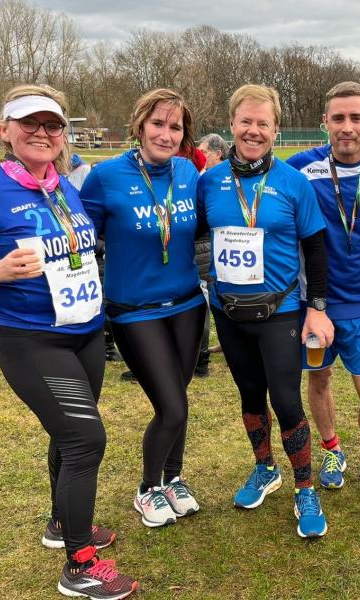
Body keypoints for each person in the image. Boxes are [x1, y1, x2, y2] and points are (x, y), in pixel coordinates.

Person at [0, 84, 137, 599]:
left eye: (52, 125)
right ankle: (80, 565)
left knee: (68, 437)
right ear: (5, 131)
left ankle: (62, 523)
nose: (42, 133)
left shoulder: (63, 186)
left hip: (84, 334)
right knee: (86, 440)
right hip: (31, 340)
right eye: (30, 123)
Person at [198, 84, 333, 538]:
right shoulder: (209, 181)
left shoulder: (293, 182)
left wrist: (317, 308)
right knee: (251, 396)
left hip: (280, 312)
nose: (253, 131)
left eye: (263, 123)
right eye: (246, 121)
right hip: (229, 312)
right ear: (231, 124)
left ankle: (304, 487)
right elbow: (197, 235)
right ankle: (265, 468)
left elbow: (315, 248)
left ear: (276, 129)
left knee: (287, 401)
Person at [80, 88, 206, 529]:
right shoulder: (104, 176)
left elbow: (203, 227)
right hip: (135, 310)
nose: (166, 135)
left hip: (188, 305)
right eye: (158, 124)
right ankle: (148, 488)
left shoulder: (188, 172)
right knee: (171, 407)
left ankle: (174, 479)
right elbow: (81, 238)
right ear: (139, 125)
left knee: (179, 399)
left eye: (175, 127)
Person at [287, 82, 360, 497]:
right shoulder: (300, 167)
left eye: (356, 117)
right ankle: (332, 449)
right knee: (319, 379)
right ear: (326, 123)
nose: (347, 126)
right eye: (338, 118)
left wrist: (359, 253)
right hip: (313, 304)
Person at [195, 133, 231, 367]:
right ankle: (225, 344)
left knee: (212, 298)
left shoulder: (221, 180)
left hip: (213, 249)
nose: (199, 156)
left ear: (217, 154)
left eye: (203, 152)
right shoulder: (204, 178)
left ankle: (214, 350)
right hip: (208, 248)